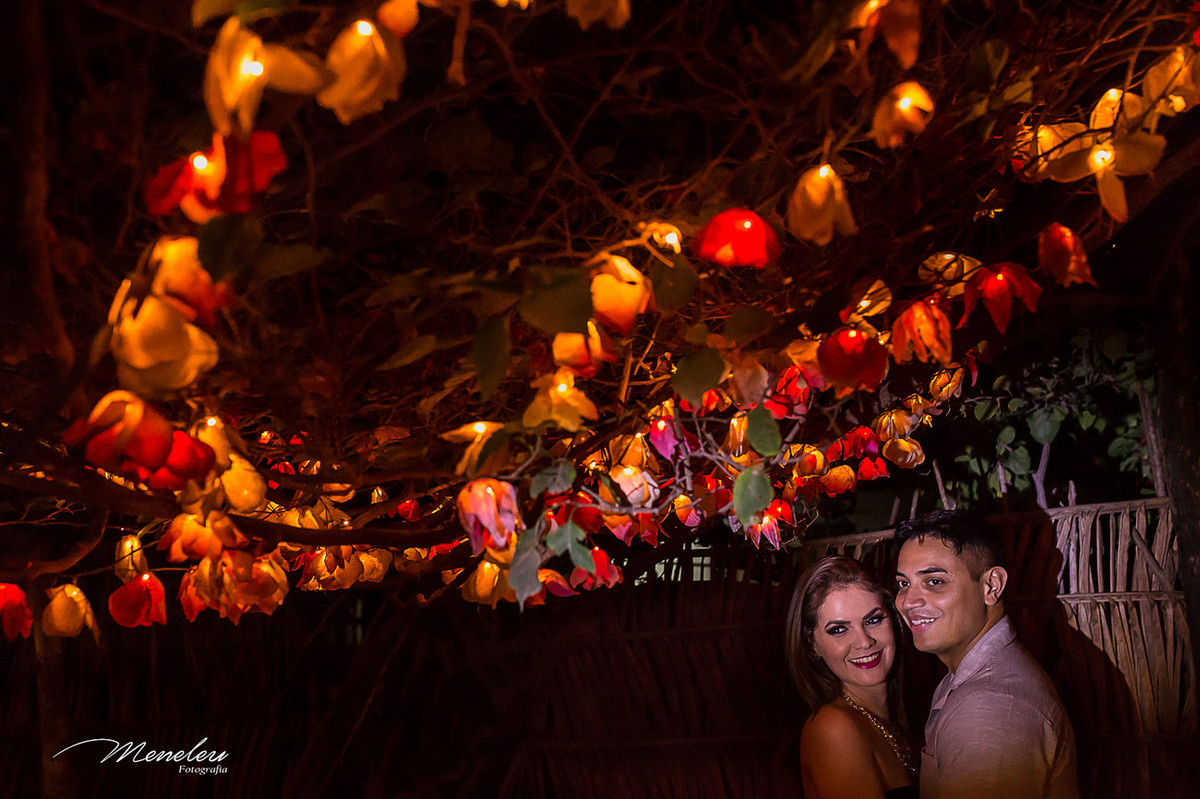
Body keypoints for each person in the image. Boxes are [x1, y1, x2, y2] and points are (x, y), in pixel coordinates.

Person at [894, 509, 1079, 799]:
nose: (907, 602)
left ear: (991, 586)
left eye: (934, 582)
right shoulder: (970, 679)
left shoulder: (992, 707)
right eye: (903, 584)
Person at [786, 555, 918, 799]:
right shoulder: (834, 730)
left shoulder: (893, 722)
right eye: (839, 630)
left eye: (873, 620)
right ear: (812, 645)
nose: (864, 641)